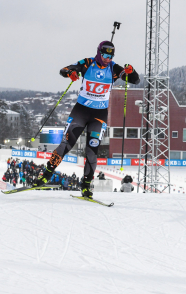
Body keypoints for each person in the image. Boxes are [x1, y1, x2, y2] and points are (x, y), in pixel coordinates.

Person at [33, 41, 140, 199]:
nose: (107, 59)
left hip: (99, 115)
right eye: (104, 55)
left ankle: (85, 186)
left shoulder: (114, 68)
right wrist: (70, 73)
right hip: (81, 112)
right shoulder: (88, 63)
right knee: (66, 144)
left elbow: (135, 80)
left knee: (92, 151)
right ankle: (46, 175)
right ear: (98, 53)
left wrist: (131, 71)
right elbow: (64, 69)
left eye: (110, 56)